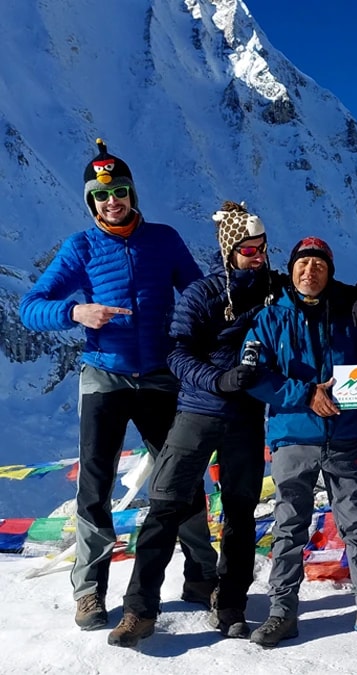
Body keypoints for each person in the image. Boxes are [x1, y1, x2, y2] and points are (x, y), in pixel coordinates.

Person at [19, 139, 217, 631]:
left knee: (183, 475)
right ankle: (90, 591)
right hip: (103, 375)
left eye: (120, 191)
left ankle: (201, 575)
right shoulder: (80, 247)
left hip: (160, 378)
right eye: (102, 196)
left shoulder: (164, 239)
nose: (113, 201)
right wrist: (74, 311)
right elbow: (31, 306)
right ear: (91, 202)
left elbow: (196, 294)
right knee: (95, 485)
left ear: (132, 192)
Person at [107, 201, 278, 648]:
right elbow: (177, 353)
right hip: (198, 412)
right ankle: (139, 610)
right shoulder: (202, 294)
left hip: (245, 420)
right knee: (165, 506)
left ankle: (232, 603)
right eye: (248, 249)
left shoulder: (275, 291)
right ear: (230, 249)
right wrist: (218, 380)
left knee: (240, 513)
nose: (256, 255)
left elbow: (319, 289)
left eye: (261, 247)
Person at [243, 236, 357, 648]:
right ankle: (282, 613)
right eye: (302, 264)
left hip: (345, 437)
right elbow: (254, 375)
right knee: (289, 528)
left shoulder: (351, 315)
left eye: (318, 264)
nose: (309, 271)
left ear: (329, 272)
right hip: (292, 437)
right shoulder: (269, 319)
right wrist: (306, 394)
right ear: (291, 269)